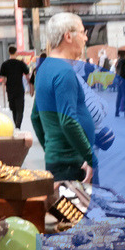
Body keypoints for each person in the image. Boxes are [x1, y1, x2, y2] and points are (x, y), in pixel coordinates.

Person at [31, 12, 96, 182]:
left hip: (58, 162)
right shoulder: (64, 71)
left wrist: (52, 149)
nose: (85, 38)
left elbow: (35, 117)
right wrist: (90, 158)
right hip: (74, 165)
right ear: (68, 36)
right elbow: (68, 121)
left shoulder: (44, 69)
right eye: (82, 33)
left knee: (62, 207)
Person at [0, 44, 30, 128]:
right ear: (16, 52)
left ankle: (17, 125)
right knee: (20, 109)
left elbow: (3, 79)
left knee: (13, 109)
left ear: (9, 52)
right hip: (19, 89)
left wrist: (4, 86)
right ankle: (17, 126)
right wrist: (30, 85)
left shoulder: (5, 64)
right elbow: (27, 74)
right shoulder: (20, 63)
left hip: (10, 89)